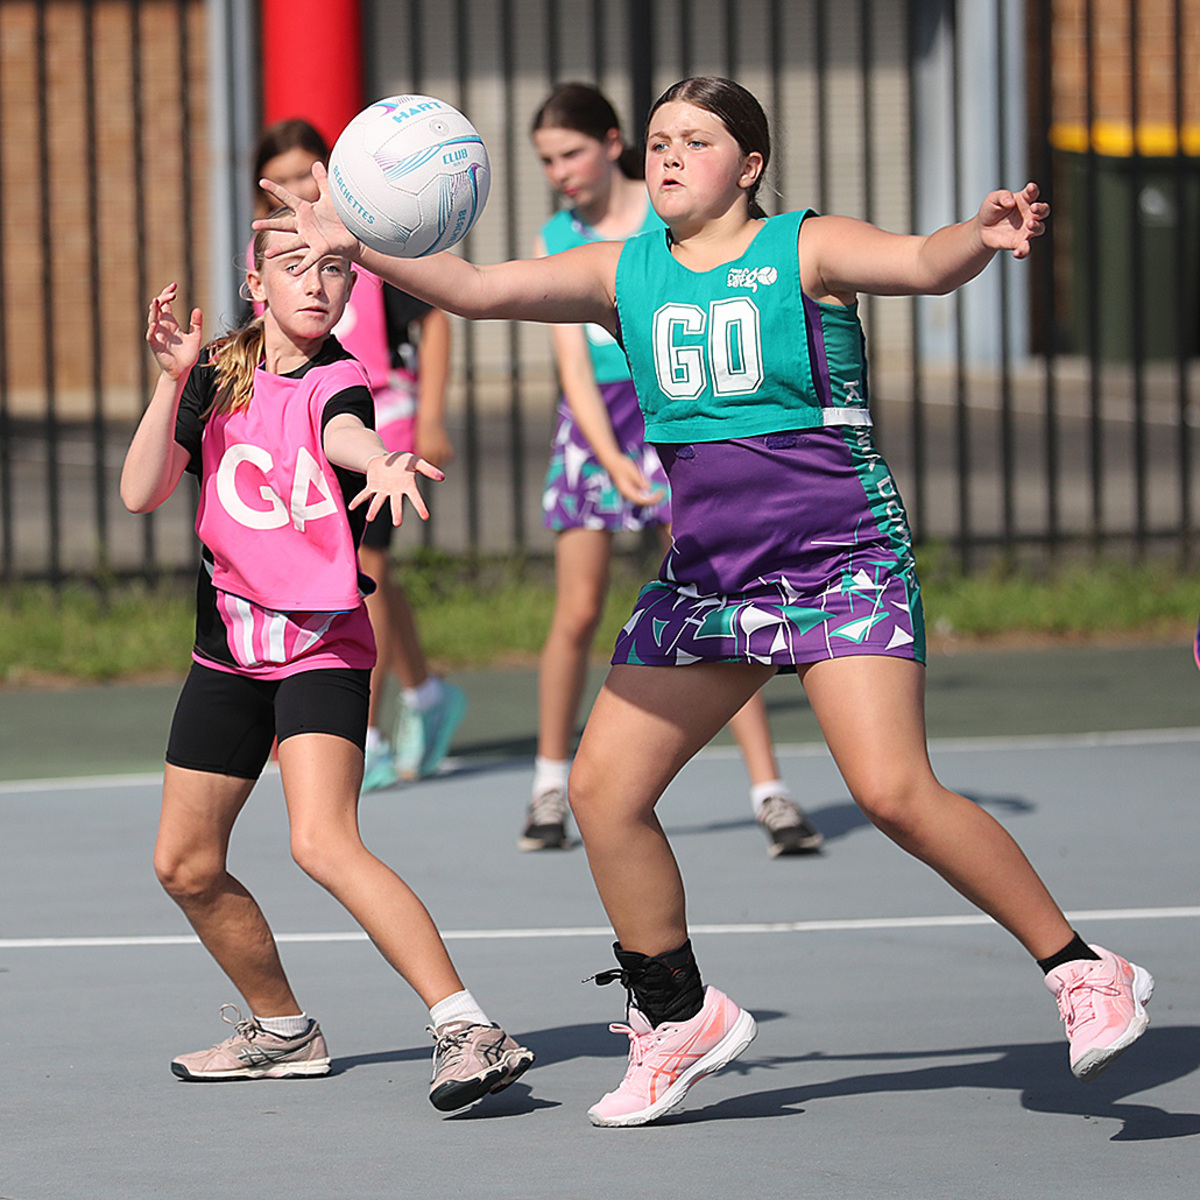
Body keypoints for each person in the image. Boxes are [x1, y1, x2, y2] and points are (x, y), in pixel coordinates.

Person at [257, 75, 1154, 1128]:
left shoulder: (805, 250)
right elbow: (476, 288)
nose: (671, 154)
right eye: (659, 140)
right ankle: (678, 1018)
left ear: (752, 163)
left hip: (837, 558)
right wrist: (348, 235)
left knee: (893, 792)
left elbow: (919, 262)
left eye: (697, 139)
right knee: (603, 793)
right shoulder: (621, 270)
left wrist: (981, 233)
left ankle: (1083, 968)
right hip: (712, 579)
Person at [119, 223, 532, 1112]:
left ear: (354, 287)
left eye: (335, 270)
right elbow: (142, 490)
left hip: (319, 646)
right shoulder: (217, 369)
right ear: (255, 279)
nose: (317, 284)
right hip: (228, 648)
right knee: (185, 864)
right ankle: (282, 1033)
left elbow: (341, 429)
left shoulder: (339, 375)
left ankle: (468, 1028)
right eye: (295, 266)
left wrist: (380, 458)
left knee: (322, 840)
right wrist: (169, 382)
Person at [523, 82, 822, 858]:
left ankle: (770, 790)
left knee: (720, 601)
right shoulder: (560, 235)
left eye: (572, 153)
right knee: (579, 609)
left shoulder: (663, 223)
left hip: (679, 411)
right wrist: (608, 454)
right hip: (599, 427)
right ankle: (550, 780)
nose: (560, 171)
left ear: (613, 142)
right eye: (546, 160)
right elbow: (571, 369)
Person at [253, 119, 466, 789]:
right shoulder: (270, 260)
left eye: (304, 173)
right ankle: (429, 696)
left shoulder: (367, 244)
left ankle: (360, 734)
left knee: (359, 569)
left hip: (380, 428)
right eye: (280, 178)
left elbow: (434, 319)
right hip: (305, 438)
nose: (294, 187)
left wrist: (431, 415)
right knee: (370, 576)